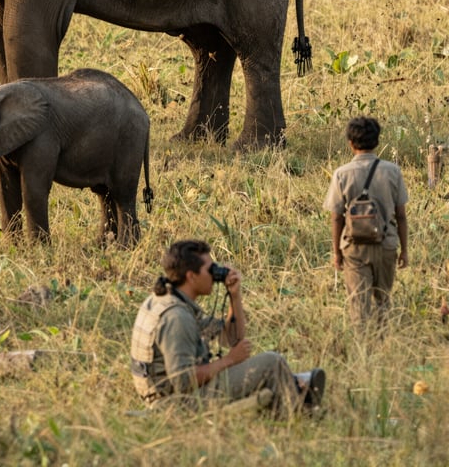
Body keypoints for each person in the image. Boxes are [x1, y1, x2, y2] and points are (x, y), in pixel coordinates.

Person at [130, 239, 324, 415]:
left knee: (267, 367)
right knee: (272, 362)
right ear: (191, 276)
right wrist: (229, 360)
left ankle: (292, 388)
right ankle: (297, 409)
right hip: (175, 405)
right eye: (210, 270)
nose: (214, 275)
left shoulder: (168, 299)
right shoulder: (177, 318)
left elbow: (232, 338)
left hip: (166, 396)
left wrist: (234, 295)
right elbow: (183, 381)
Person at [325, 117, 409, 331]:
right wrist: (404, 250)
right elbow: (401, 215)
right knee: (383, 299)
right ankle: (381, 344)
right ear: (377, 141)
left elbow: (336, 216)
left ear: (350, 143)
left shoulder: (341, 174)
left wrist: (336, 252)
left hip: (354, 248)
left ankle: (362, 347)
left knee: (358, 302)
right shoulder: (392, 171)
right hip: (386, 244)